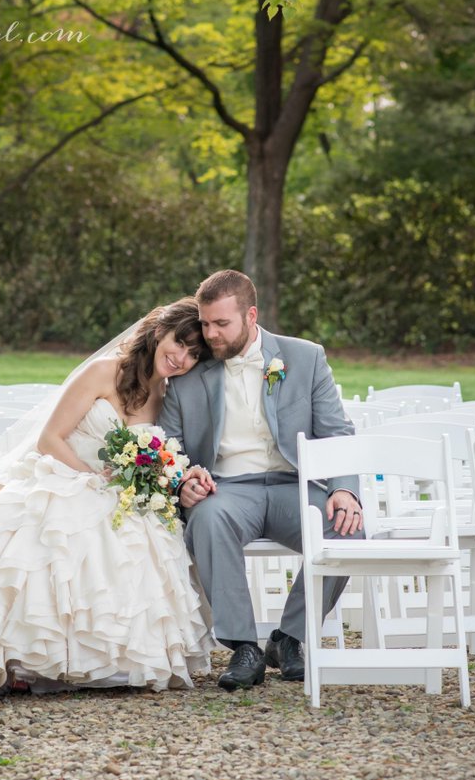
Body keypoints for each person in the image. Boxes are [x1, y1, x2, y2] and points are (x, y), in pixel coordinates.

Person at [0, 298, 216, 718]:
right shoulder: (104, 371)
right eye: (180, 343)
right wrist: (90, 477)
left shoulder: (169, 392)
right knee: (31, 549)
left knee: (131, 552)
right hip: (66, 475)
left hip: (122, 496)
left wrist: (178, 476)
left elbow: (161, 456)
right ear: (159, 332)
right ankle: (12, 658)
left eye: (194, 354)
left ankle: (87, 665)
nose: (182, 357)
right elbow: (51, 439)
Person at [159, 270, 364, 691]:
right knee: (208, 519)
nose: (210, 334)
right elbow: (171, 445)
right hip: (228, 489)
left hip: (293, 485)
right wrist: (182, 483)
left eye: (221, 324)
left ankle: (289, 638)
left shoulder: (305, 357)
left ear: (251, 315)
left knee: (345, 533)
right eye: (205, 323)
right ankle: (242, 648)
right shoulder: (187, 376)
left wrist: (343, 489)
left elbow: (336, 432)